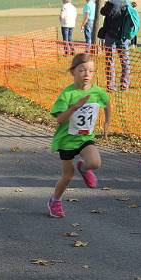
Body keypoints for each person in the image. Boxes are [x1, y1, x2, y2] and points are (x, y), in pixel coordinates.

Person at [48, 53, 111, 218]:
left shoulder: (97, 92)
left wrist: (107, 122)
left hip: (84, 137)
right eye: (82, 70)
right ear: (73, 72)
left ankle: (83, 168)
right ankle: (55, 200)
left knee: (95, 163)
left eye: (91, 71)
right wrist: (75, 107)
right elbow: (60, 119)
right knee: (68, 176)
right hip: (66, 140)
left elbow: (107, 102)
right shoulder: (67, 95)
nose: (87, 74)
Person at [100, 0, 130, 92]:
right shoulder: (127, 3)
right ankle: (124, 85)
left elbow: (102, 12)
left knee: (110, 61)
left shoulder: (111, 3)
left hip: (110, 36)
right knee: (125, 61)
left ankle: (110, 85)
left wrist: (106, 4)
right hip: (123, 37)